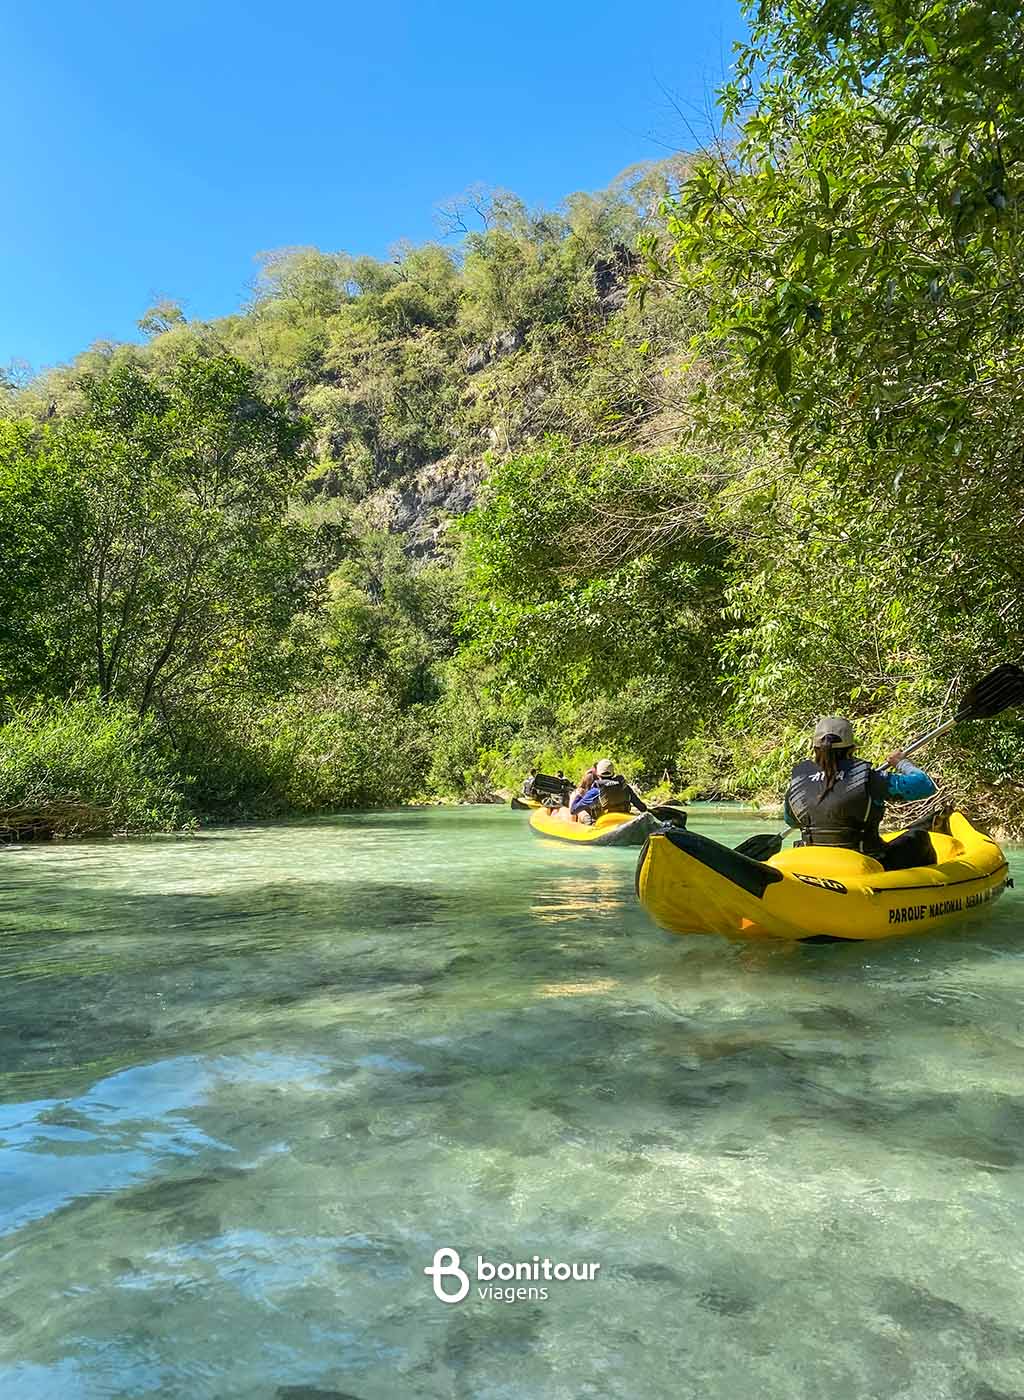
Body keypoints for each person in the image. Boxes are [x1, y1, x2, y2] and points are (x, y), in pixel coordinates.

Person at [784, 716, 937, 871]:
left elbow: (791, 821)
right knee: (919, 837)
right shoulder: (871, 779)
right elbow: (925, 785)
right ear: (852, 748)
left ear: (815, 748)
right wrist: (900, 762)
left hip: (813, 862)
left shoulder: (798, 781)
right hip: (866, 863)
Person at [570, 758, 648, 823]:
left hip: (606, 822)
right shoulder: (624, 786)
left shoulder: (596, 790)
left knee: (581, 813)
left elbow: (573, 810)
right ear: (613, 773)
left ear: (598, 774)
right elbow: (642, 808)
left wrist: (579, 794)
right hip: (626, 819)